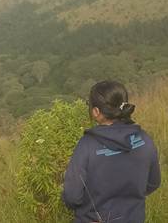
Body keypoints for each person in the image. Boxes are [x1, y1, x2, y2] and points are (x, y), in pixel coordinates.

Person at [61, 80, 161, 223]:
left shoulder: (87, 145)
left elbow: (72, 197)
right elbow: (153, 183)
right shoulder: (144, 139)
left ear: (96, 112)